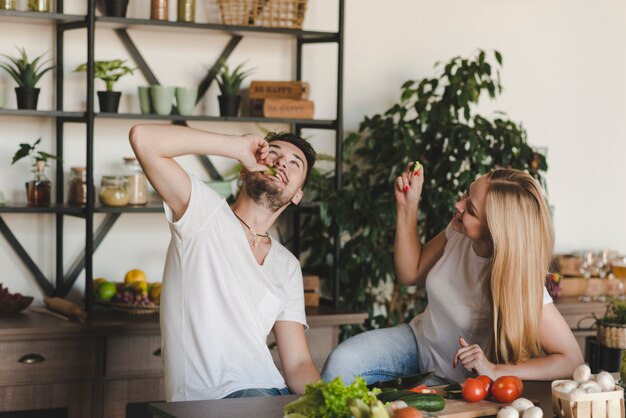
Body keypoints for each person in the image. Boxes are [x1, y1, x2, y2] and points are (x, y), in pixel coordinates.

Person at [322, 166, 583, 385]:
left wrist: (494, 370)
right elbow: (410, 272)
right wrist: (407, 207)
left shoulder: (520, 285)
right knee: (341, 364)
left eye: (471, 209)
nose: (458, 205)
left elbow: (571, 360)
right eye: (467, 196)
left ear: (497, 231)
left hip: (455, 382)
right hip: (416, 343)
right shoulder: (458, 231)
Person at [129, 124, 320, 401]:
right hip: (213, 401)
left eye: (295, 164)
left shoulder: (287, 264)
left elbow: (298, 364)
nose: (281, 163)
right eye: (273, 154)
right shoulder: (203, 213)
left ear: (298, 194)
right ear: (246, 168)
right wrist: (235, 146)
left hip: (271, 394)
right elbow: (143, 138)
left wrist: (334, 403)